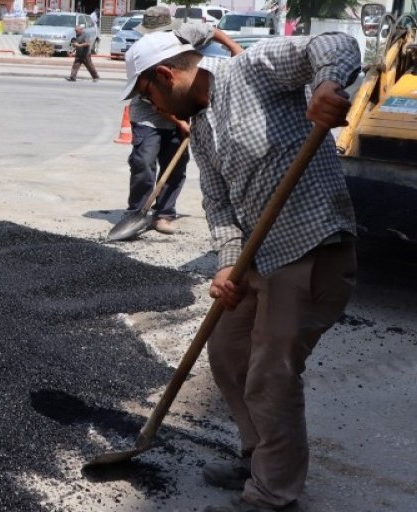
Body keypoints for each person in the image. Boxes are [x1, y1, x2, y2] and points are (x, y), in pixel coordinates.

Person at [123, 30, 360, 512]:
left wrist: (326, 85)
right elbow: (220, 206)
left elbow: (333, 43)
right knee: (228, 353)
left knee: (270, 375)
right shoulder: (202, 129)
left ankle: (272, 495)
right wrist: (227, 265)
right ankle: (258, 456)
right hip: (257, 256)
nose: (158, 112)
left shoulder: (252, 70)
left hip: (310, 247)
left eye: (151, 95)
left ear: (166, 75)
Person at [125, 5, 243, 234]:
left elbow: (212, 31)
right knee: (143, 162)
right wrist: (180, 121)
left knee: (175, 165)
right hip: (150, 115)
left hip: (183, 106)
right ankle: (136, 212)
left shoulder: (184, 34)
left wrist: (234, 47)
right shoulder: (142, 54)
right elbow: (154, 100)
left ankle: (164, 214)